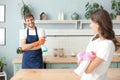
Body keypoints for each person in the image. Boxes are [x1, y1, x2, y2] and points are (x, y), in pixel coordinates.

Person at [80, 9, 120, 80]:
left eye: (91, 23)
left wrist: (83, 60)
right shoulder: (94, 39)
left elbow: (87, 70)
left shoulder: (107, 45)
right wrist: (83, 59)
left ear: (98, 24)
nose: (90, 26)